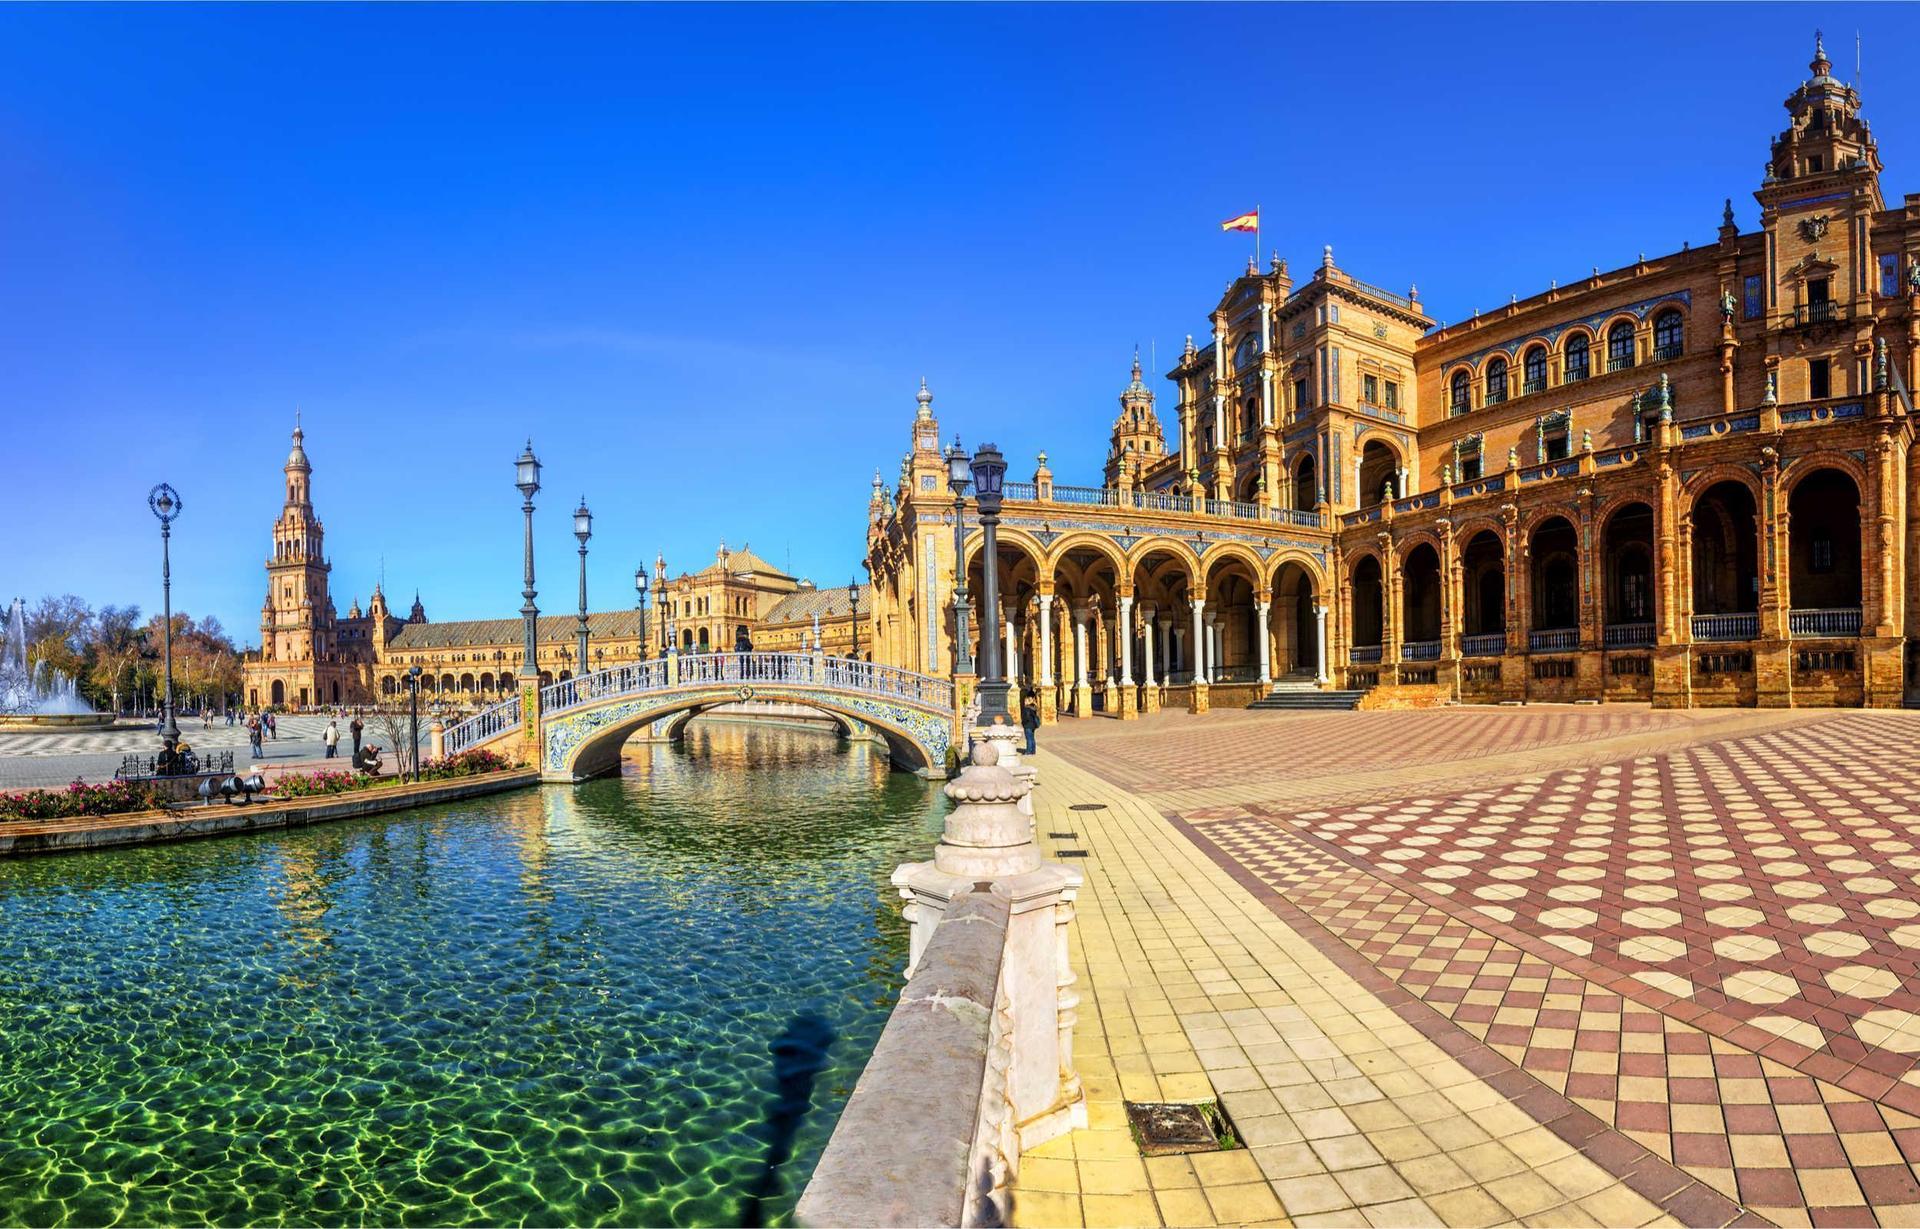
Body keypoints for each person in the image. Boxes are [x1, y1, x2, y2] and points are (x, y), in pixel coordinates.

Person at [1020, 693, 1040, 757]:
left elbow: (1026, 718)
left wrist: (1023, 723)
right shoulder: (1033, 708)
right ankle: (1033, 751)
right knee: (1032, 738)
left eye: (1025, 701)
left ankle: (1028, 752)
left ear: (1028, 702)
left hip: (1028, 725)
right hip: (1033, 725)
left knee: (1028, 739)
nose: (1024, 702)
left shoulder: (1026, 709)